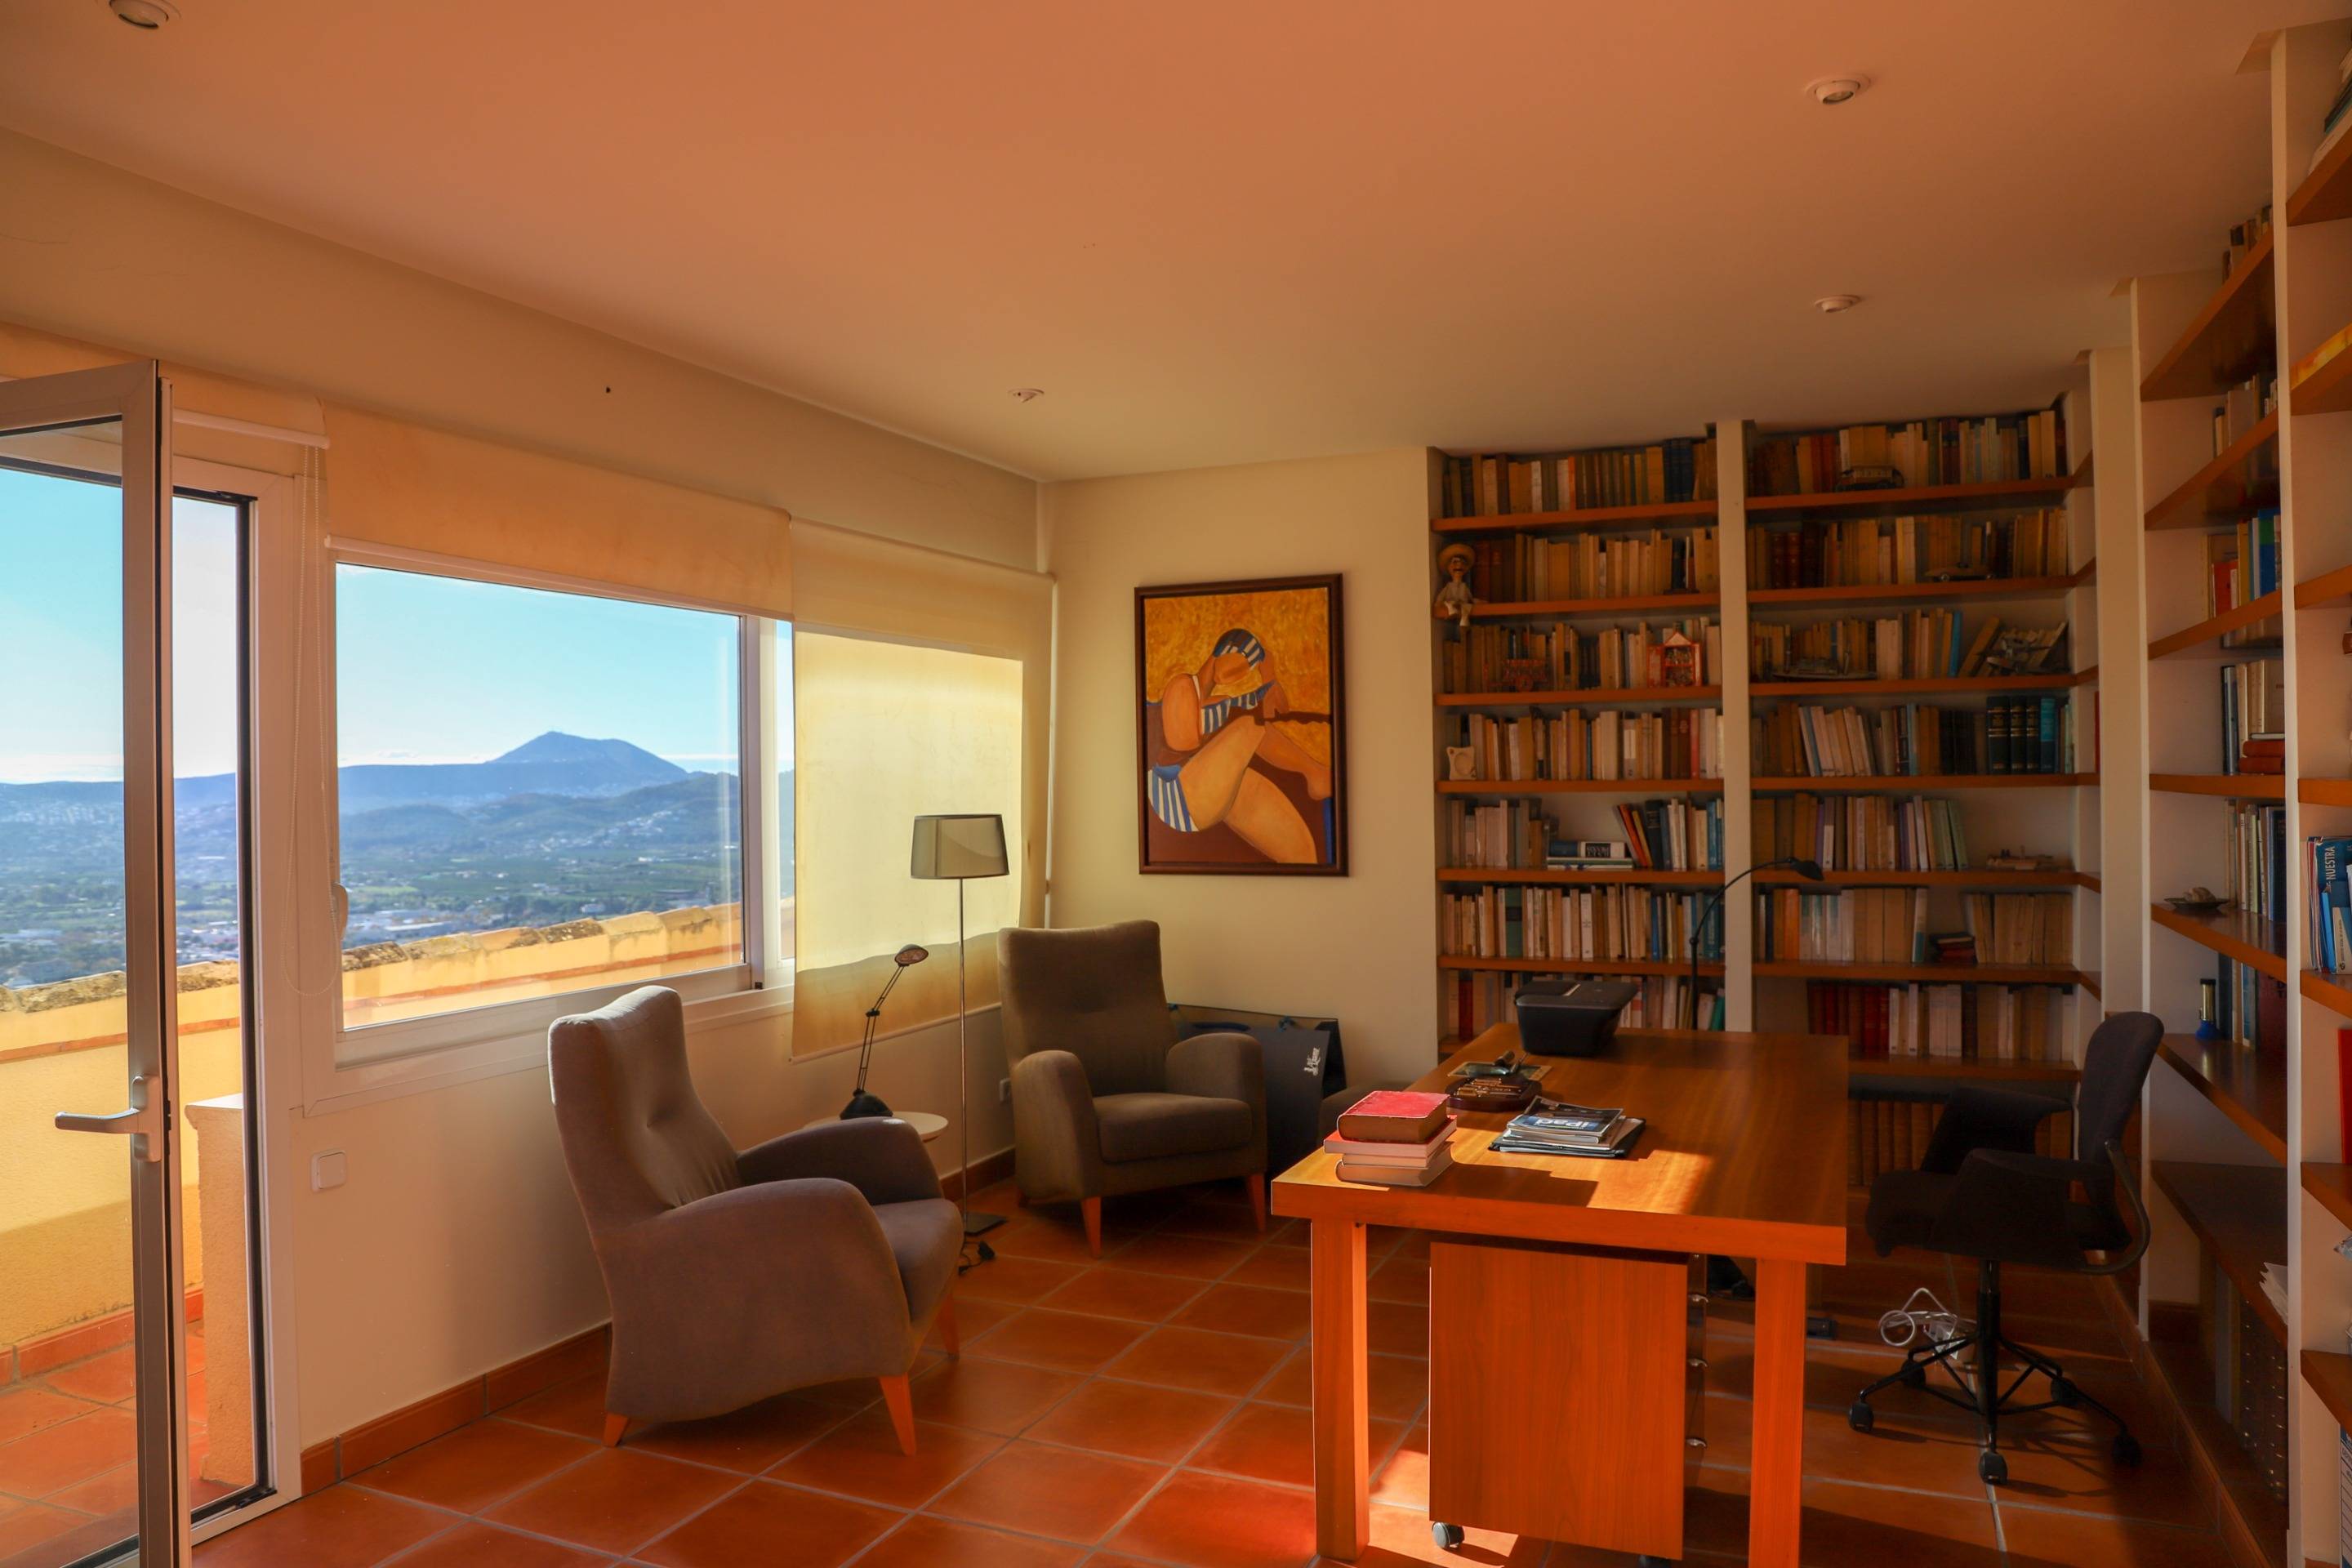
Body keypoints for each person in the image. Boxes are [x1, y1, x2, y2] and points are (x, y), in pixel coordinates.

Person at [1146, 628, 1331, 864]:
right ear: (1220, 654)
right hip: (1174, 793)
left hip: (1206, 788)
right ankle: (1315, 774)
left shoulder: (1219, 703)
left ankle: (1310, 870)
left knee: (1298, 846)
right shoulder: (1182, 686)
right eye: (1240, 661)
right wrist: (1243, 709)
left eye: (1247, 668)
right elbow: (1184, 742)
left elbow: (1276, 707)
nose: (1240, 673)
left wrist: (1269, 677)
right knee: (1249, 725)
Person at [1433, 543, 1477, 627]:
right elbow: (1441, 597)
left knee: (1466, 607)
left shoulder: (1464, 586)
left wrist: (1474, 601)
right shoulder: (1449, 586)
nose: (1459, 565)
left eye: (1462, 562)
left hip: (1462, 603)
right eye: (1455, 562)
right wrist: (1438, 603)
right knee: (1448, 603)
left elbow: (1470, 597)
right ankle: (1452, 611)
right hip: (1451, 602)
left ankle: (1464, 619)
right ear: (1449, 567)